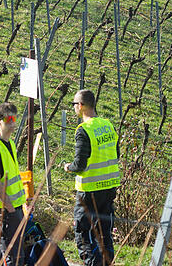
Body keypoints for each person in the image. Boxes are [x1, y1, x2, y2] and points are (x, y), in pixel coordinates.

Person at [64, 89, 120, 266]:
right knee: (104, 233)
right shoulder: (108, 125)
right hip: (109, 188)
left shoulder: (84, 130)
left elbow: (80, 164)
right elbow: (116, 154)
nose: (74, 107)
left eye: (74, 104)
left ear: (80, 106)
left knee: (84, 233)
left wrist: (68, 167)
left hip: (89, 192)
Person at [0, 101, 29, 266]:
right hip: (6, 208)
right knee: (13, 256)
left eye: (14, 119)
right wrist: (9, 207)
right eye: (8, 119)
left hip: (16, 206)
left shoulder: (9, 143)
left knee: (17, 254)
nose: (12, 123)